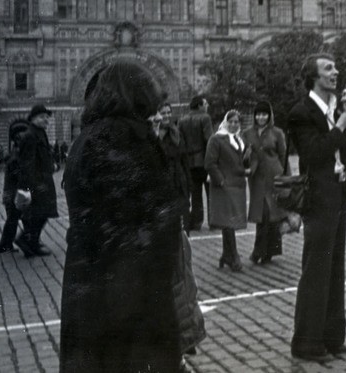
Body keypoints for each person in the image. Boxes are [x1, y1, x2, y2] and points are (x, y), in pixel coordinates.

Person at [60, 61, 186, 372]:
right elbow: (151, 218)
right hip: (132, 291)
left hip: (90, 282)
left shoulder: (86, 138)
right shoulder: (129, 137)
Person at [288, 53, 346, 361]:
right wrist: (340, 126)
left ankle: (333, 338)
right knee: (316, 272)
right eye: (328, 69)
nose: (336, 72)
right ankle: (306, 343)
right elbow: (315, 153)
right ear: (313, 77)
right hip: (318, 197)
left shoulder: (333, 109)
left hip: (338, 195)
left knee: (335, 270)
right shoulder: (302, 112)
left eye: (335, 66)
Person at [155, 102, 206, 370]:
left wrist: (185, 193)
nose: (164, 116)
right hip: (160, 207)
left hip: (177, 196)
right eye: (160, 113)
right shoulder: (152, 139)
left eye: (166, 112)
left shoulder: (176, 134)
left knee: (182, 276)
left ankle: (183, 346)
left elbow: (184, 164)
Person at [242, 100, 288, 265]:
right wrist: (246, 156)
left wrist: (285, 179)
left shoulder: (277, 133)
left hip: (273, 177)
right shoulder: (247, 133)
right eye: (258, 114)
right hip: (256, 179)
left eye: (264, 114)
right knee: (261, 216)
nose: (261, 117)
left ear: (269, 115)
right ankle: (259, 250)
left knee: (272, 215)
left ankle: (268, 252)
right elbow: (242, 157)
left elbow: (283, 156)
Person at [205, 110, 248, 272]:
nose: (233, 124)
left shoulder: (238, 139)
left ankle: (226, 254)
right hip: (224, 186)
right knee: (229, 221)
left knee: (229, 221)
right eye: (231, 121)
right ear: (225, 122)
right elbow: (209, 163)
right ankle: (234, 256)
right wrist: (220, 180)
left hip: (237, 185)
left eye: (237, 122)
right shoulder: (216, 139)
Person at [14, 104, 58, 257]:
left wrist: (51, 164)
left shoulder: (39, 132)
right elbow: (28, 163)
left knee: (41, 213)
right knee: (40, 213)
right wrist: (35, 185)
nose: (46, 120)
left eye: (47, 117)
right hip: (38, 183)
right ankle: (27, 241)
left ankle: (32, 241)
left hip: (43, 179)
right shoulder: (31, 135)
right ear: (33, 119)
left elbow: (41, 156)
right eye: (42, 117)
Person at [179, 95, 214, 233]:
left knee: (195, 194)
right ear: (199, 105)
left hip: (189, 161)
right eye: (205, 103)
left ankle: (196, 222)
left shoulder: (182, 120)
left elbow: (180, 141)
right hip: (205, 160)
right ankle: (214, 221)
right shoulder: (205, 118)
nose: (207, 106)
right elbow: (209, 140)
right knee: (211, 192)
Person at [0, 119, 31, 254]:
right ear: (17, 138)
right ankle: (10, 245)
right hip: (14, 194)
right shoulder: (16, 155)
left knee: (13, 219)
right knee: (18, 219)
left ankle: (7, 245)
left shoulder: (16, 153)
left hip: (13, 193)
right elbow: (19, 175)